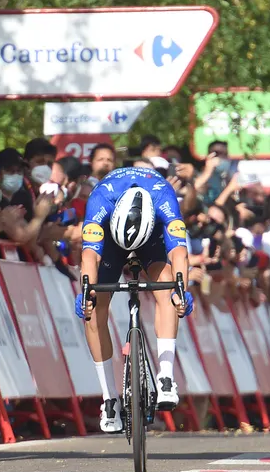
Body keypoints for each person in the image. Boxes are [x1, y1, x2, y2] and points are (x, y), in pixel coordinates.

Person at [77, 167, 192, 431]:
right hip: (111, 239)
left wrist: (180, 290)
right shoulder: (100, 200)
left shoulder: (165, 197)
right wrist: (88, 294)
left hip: (152, 238)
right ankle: (109, 398)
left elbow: (179, 254)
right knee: (93, 308)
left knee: (168, 293)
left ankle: (165, 377)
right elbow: (89, 257)